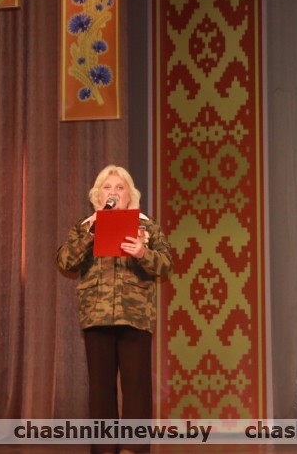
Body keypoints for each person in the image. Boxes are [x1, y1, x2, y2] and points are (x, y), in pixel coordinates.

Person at [57, 165, 174, 454]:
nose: (113, 192)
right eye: (107, 188)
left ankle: (133, 448)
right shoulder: (85, 227)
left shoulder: (147, 226)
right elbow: (65, 261)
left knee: (136, 387)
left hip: (135, 316)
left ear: (130, 195)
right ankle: (104, 448)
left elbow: (166, 264)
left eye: (119, 188)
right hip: (96, 316)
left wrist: (143, 253)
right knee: (100, 389)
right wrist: (92, 234)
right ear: (98, 196)